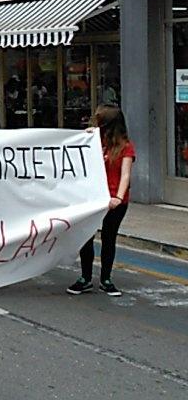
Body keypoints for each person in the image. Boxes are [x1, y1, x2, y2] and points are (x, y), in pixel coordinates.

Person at [67, 105, 135, 297]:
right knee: (86, 237)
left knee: (108, 238)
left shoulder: (126, 147)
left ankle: (106, 279)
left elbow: (125, 175)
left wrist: (118, 197)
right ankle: (85, 278)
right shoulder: (95, 141)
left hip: (114, 200)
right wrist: (85, 136)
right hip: (93, 198)